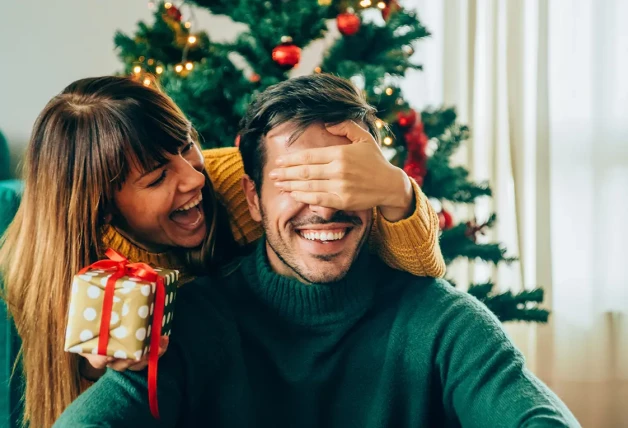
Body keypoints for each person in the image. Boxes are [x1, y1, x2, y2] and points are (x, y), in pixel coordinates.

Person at [53, 74, 580, 427]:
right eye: (295, 182)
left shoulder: (442, 323)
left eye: (340, 180)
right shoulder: (187, 325)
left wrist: (397, 191)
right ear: (252, 199)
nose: (323, 208)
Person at [0, 76, 445, 427]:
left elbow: (421, 270)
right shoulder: (49, 273)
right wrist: (100, 372)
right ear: (103, 210)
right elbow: (86, 409)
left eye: (185, 145)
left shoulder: (240, 179)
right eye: (157, 178)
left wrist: (396, 187)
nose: (194, 178)